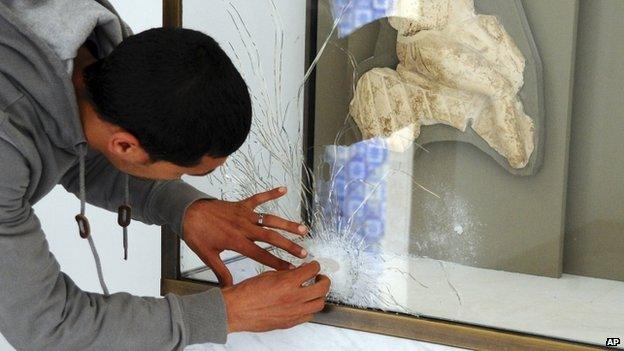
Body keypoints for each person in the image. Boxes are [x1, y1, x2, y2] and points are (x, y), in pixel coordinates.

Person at [0, 1, 330, 350]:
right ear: (126, 146)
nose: (181, 180)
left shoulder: (102, 46)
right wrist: (230, 312)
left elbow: (82, 141)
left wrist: (185, 208)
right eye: (181, 172)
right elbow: (50, 327)